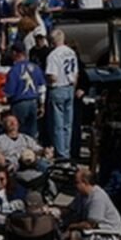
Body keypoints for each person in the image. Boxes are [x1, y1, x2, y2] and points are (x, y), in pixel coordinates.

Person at [64, 167, 121, 240]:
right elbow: (70, 209)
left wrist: (71, 226)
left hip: (107, 234)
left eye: (77, 182)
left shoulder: (97, 198)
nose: (75, 185)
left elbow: (90, 225)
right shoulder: (82, 195)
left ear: (85, 182)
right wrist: (53, 210)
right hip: (94, 230)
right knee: (64, 230)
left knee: (74, 235)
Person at [44, 28, 79, 160]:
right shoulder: (71, 53)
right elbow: (75, 73)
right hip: (70, 87)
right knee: (68, 124)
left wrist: (46, 80)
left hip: (58, 88)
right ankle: (67, 150)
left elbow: (52, 76)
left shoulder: (53, 55)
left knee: (57, 125)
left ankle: (61, 154)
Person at [3, 43, 47, 139]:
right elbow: (42, 88)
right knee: (32, 132)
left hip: (20, 103)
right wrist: (42, 104)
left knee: (18, 131)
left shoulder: (14, 70)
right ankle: (31, 151)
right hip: (34, 103)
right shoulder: (36, 68)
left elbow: (9, 92)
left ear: (14, 53)